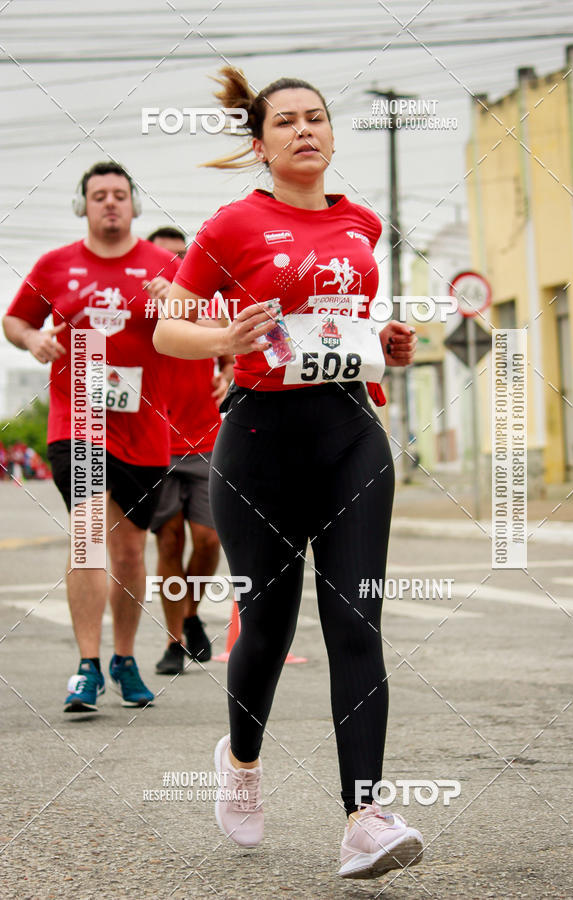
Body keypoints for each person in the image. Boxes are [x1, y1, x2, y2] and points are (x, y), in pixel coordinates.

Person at [153, 67, 423, 879]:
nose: (305, 130)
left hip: (351, 433)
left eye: (317, 119)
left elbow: (351, 329)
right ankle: (239, 764)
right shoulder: (232, 226)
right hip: (260, 440)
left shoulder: (363, 227)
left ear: (333, 135)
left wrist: (390, 347)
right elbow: (170, 329)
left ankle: (364, 817)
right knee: (265, 628)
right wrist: (223, 341)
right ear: (261, 144)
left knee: (355, 622)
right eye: (286, 123)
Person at [3, 161, 179, 713]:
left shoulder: (164, 264)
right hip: (77, 421)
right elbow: (15, 321)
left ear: (134, 205)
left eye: (119, 195)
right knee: (87, 533)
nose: (109, 203)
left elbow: (200, 319)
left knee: (129, 552)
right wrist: (33, 341)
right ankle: (86, 665)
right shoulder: (55, 265)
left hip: (145, 429)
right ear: (83, 205)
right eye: (98, 195)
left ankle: (124, 660)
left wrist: (178, 296)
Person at [146, 227, 233, 675]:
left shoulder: (208, 305)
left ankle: (192, 614)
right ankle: (173, 640)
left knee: (208, 540)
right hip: (156, 443)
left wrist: (228, 373)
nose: (172, 268)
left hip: (206, 441)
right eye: (162, 260)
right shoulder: (139, 306)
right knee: (170, 540)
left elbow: (228, 344)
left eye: (181, 259)